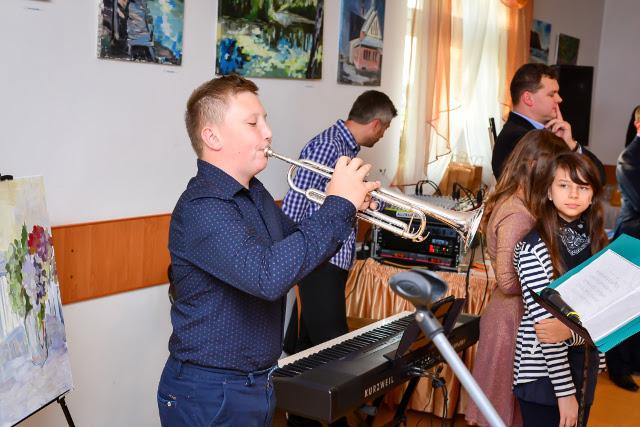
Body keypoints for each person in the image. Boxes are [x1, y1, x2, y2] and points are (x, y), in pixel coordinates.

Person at [156, 75, 380, 427]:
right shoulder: (203, 206)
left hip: (254, 383)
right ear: (212, 137)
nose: (268, 132)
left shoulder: (255, 194)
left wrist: (348, 210)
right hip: (211, 392)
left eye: (265, 120)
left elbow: (297, 253)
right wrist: (337, 205)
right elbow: (268, 276)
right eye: (253, 123)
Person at [281, 90, 396, 427]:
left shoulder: (344, 149)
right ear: (376, 124)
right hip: (319, 263)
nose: (382, 135)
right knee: (335, 355)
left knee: (308, 353)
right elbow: (294, 211)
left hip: (328, 264)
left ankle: (300, 421)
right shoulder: (327, 147)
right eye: (385, 129)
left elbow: (334, 205)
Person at [465, 130, 570, 427]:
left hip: (511, 314)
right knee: (506, 413)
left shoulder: (518, 202)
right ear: (537, 167)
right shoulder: (518, 214)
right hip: (512, 320)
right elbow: (509, 281)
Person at [513, 152, 608, 427]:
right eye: (564, 185)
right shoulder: (533, 248)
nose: (573, 194)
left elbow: (606, 313)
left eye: (583, 187)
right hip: (544, 376)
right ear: (549, 192)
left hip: (585, 365)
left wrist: (574, 333)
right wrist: (565, 394)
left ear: (593, 195)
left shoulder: (596, 240)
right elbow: (547, 331)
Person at [491, 63, 605, 184]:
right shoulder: (517, 138)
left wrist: (571, 144)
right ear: (528, 98)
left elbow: (599, 176)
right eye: (552, 94)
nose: (559, 99)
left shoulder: (534, 132)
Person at [606, 109, 640, 391]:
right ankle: (618, 367)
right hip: (632, 238)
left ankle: (636, 361)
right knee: (623, 307)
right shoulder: (629, 157)